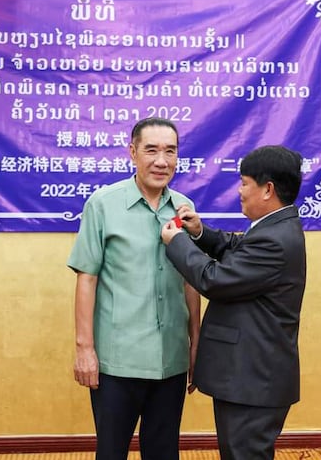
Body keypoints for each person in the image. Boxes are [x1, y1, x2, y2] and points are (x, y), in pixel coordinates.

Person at [160, 144, 307, 460]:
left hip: (253, 380)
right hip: (250, 378)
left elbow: (215, 280)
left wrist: (178, 242)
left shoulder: (275, 240)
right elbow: (237, 248)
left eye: (244, 183)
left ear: (267, 189)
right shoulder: (275, 227)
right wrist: (200, 233)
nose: (239, 191)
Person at [67, 117, 201, 460]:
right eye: (151, 150)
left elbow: (191, 279)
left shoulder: (183, 208)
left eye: (170, 151)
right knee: (111, 452)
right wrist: (85, 349)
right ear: (132, 152)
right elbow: (87, 278)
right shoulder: (103, 204)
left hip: (170, 360)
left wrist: (195, 344)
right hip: (117, 362)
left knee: (163, 453)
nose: (162, 161)